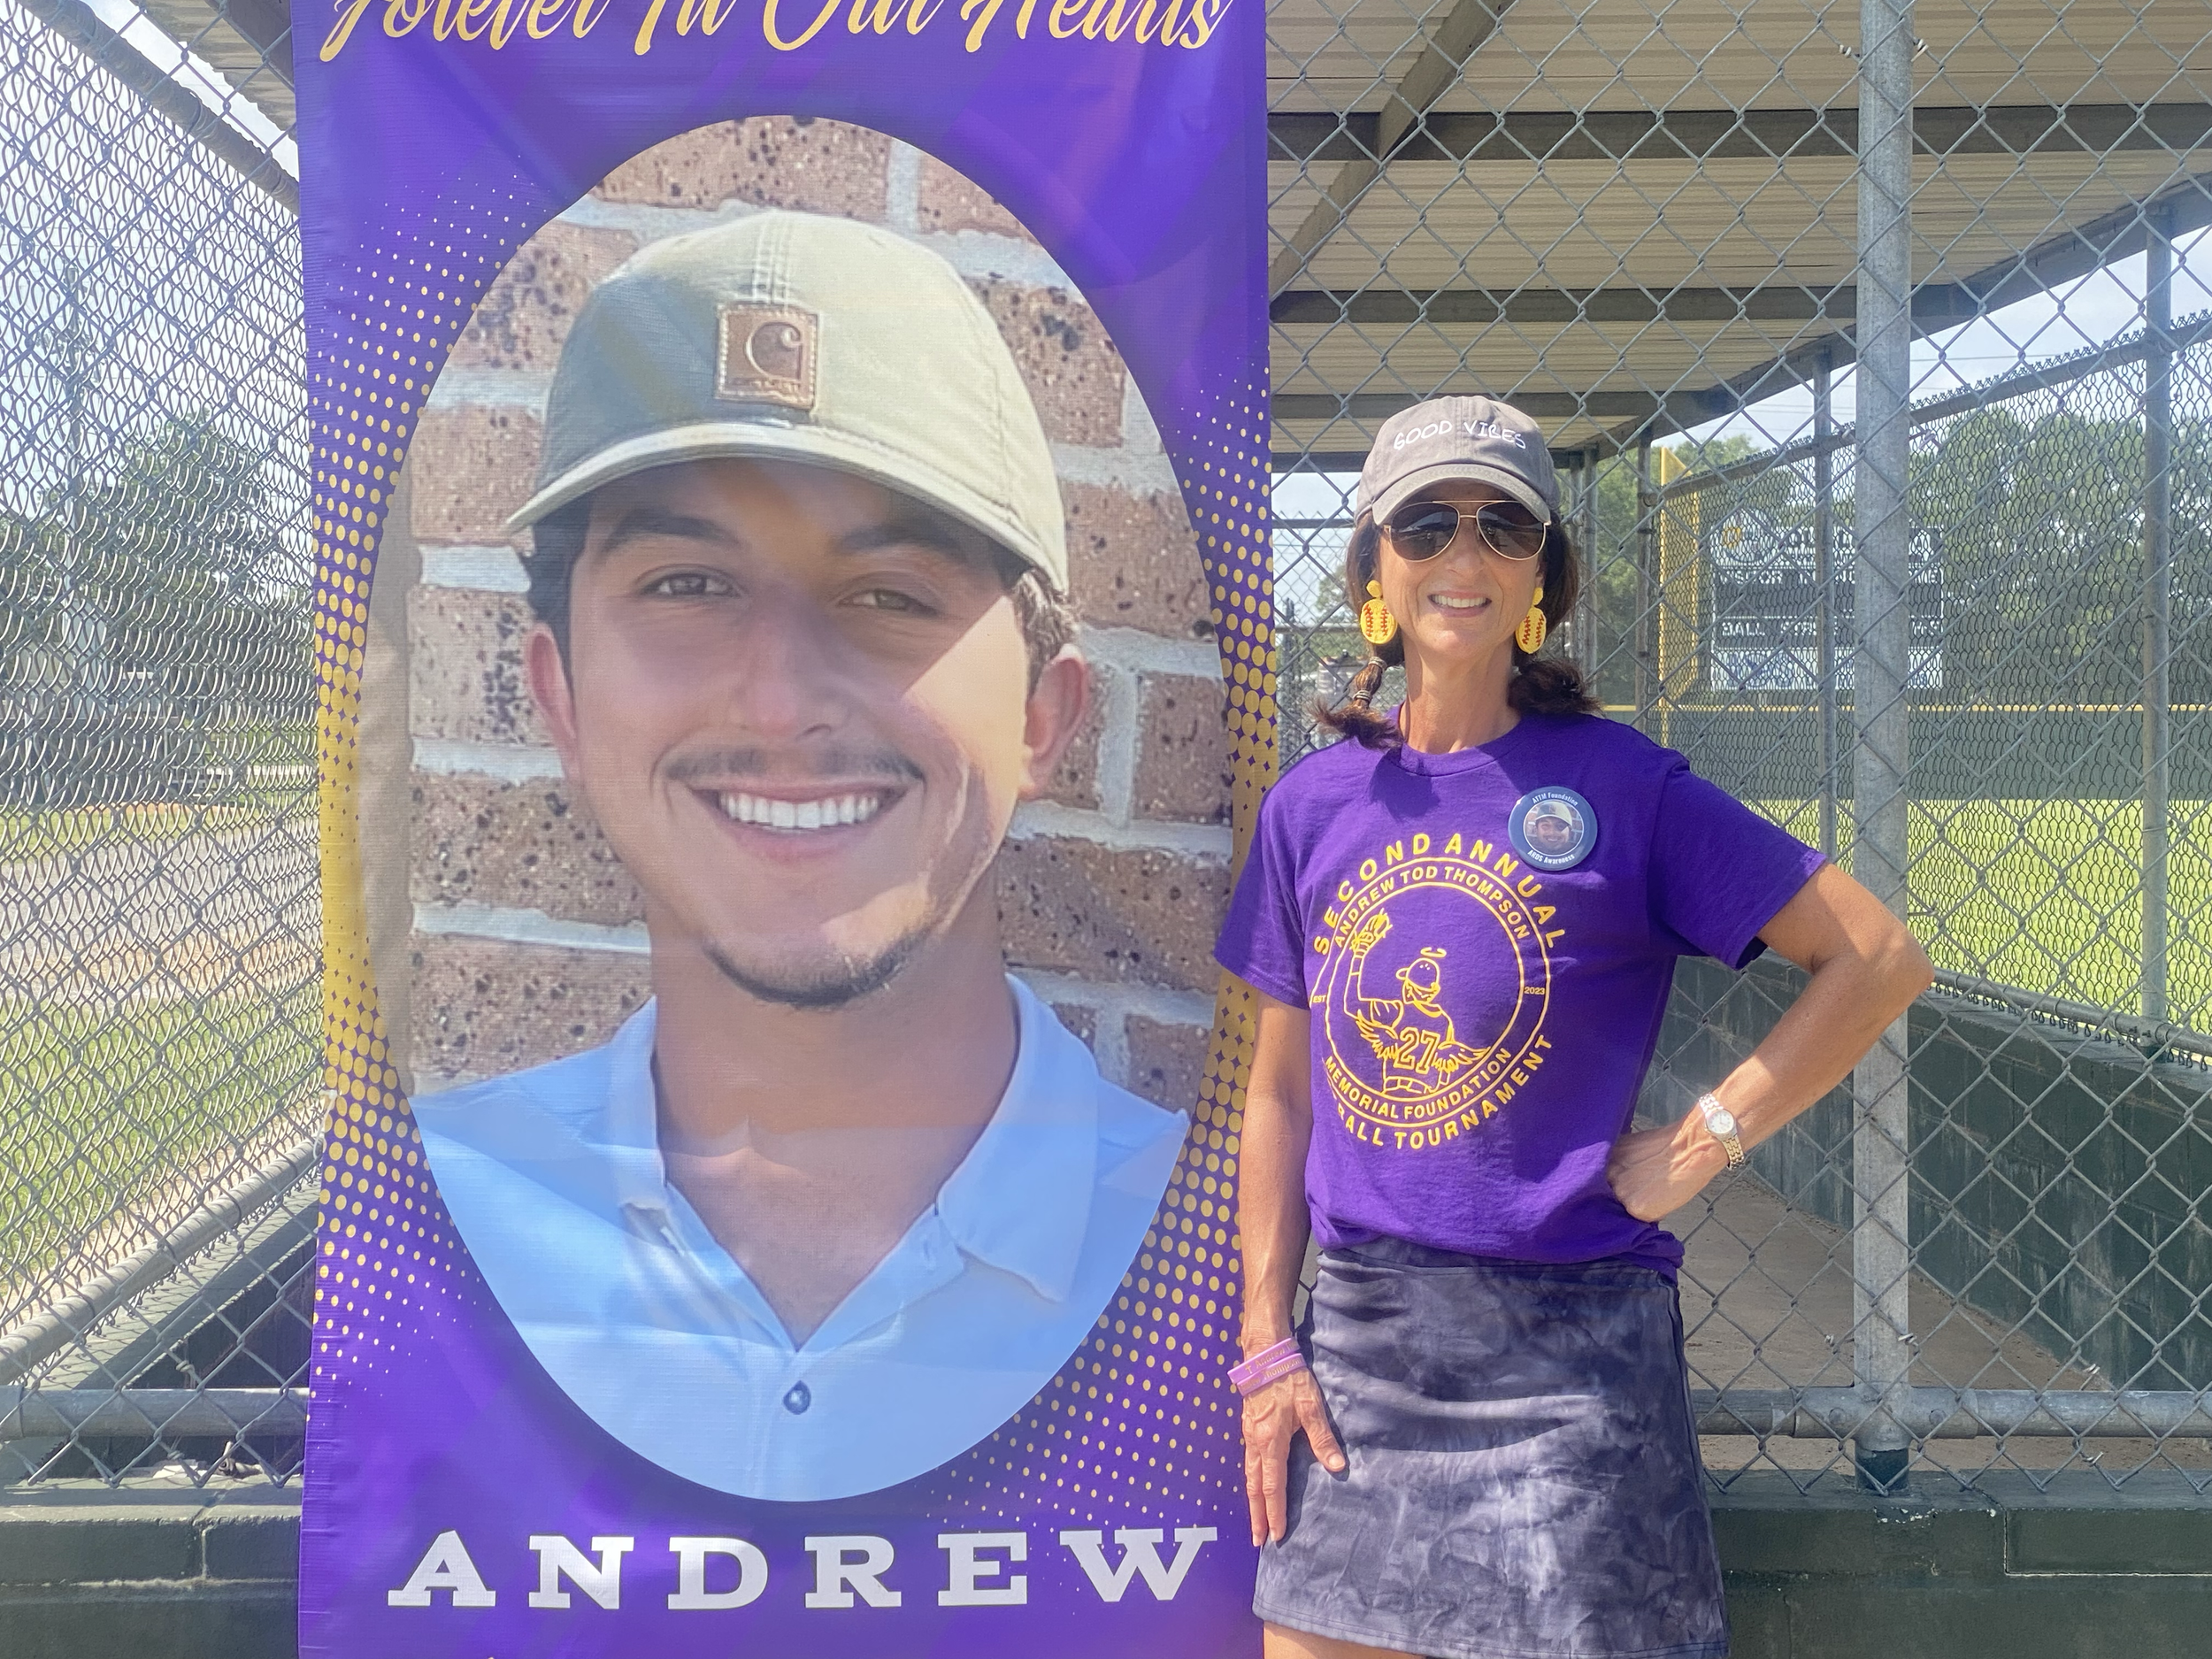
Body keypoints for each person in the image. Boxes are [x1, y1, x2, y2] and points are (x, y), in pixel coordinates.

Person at [411, 211, 1187, 1503]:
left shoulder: (1231, 1261)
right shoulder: (416, 1235)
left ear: (1046, 717)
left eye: (890, 597)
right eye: (684, 586)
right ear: (561, 699)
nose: (779, 702)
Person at [1216, 395, 1932, 1659]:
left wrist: (1708, 1134)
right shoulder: (1313, 807)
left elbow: (1874, 958)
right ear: (1375, 566)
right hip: (1366, 1347)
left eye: (1504, 528)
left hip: (1574, 1358)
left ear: (1542, 575)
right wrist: (1267, 1339)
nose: (1464, 554)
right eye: (1428, 520)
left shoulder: (1624, 786)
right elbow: (1276, 1095)